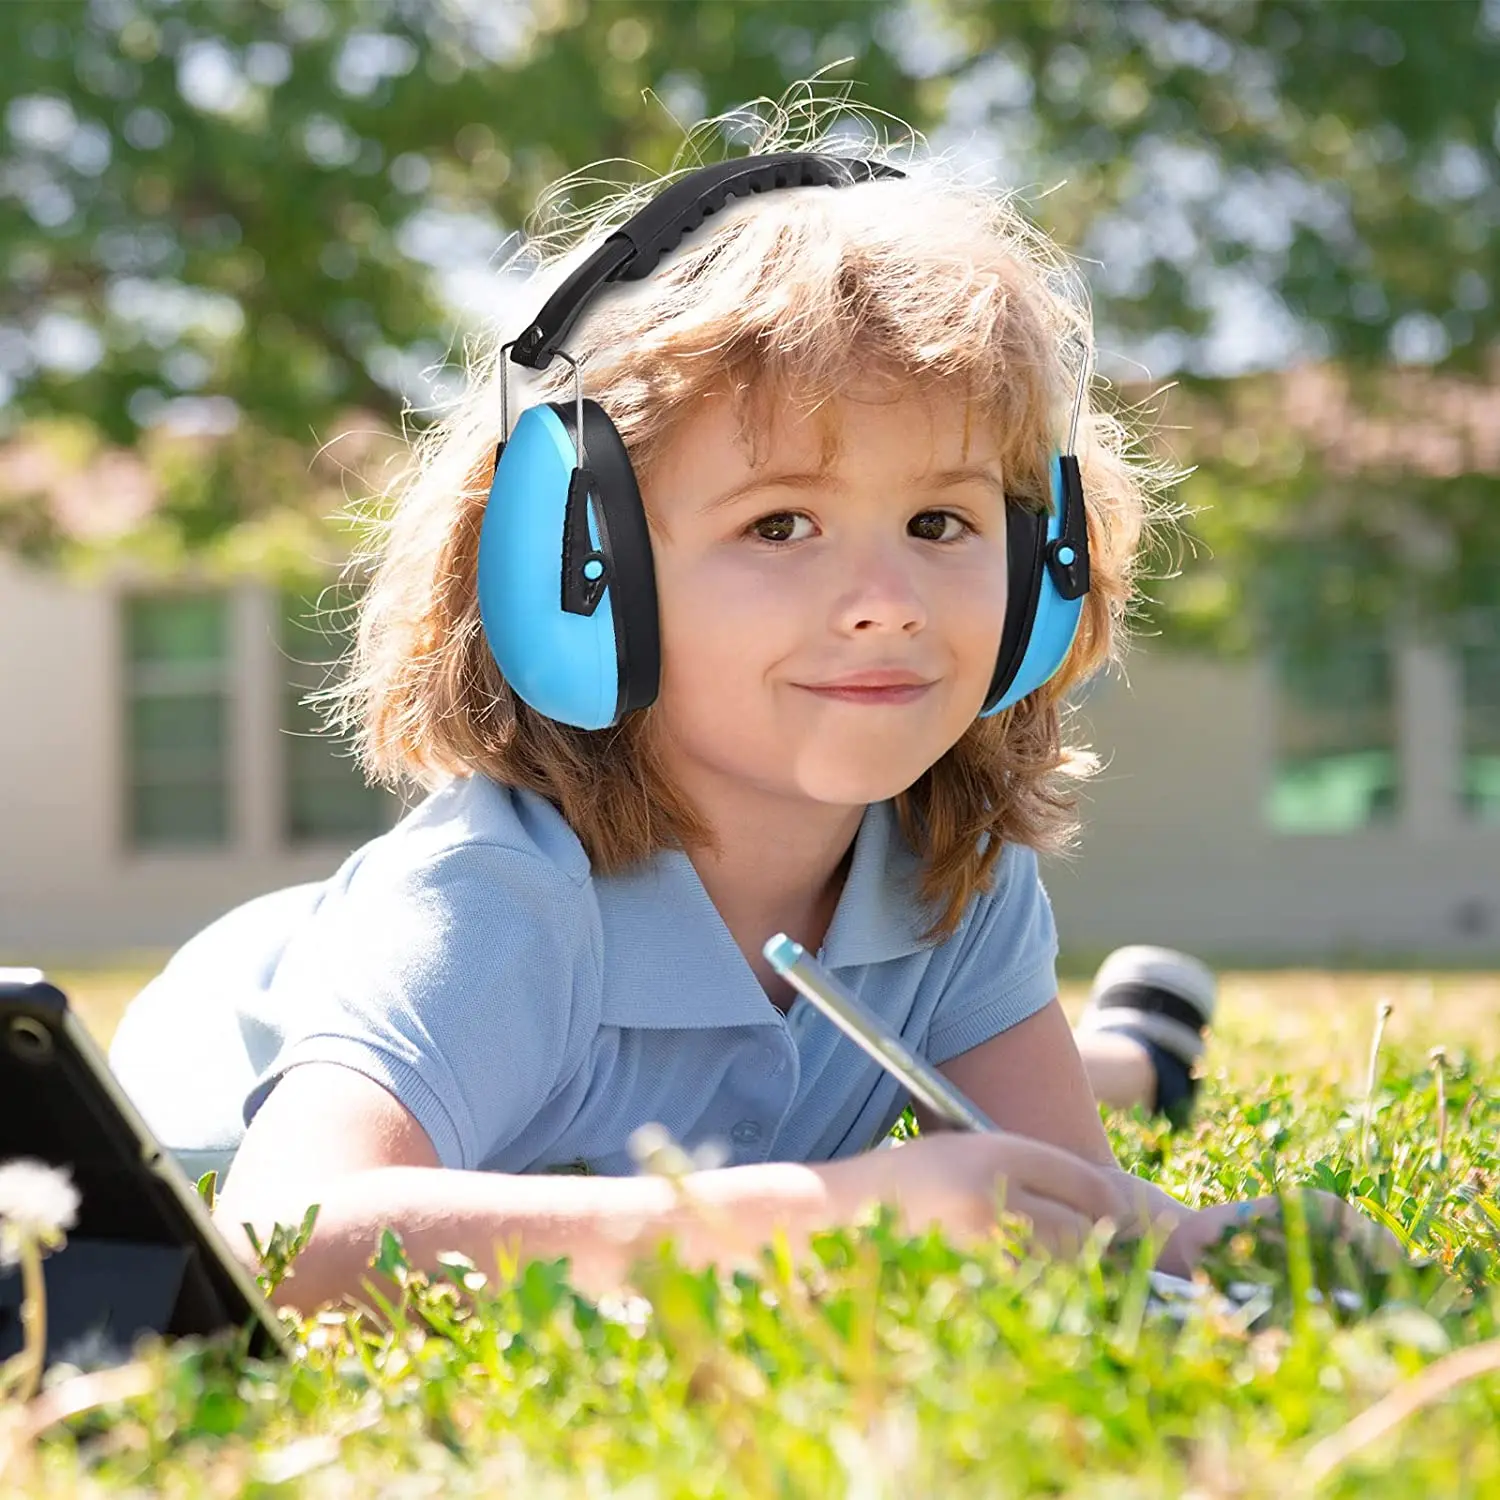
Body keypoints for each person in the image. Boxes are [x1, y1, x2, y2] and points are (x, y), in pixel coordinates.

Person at [108, 101, 1381, 1310]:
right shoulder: (492, 912)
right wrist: (823, 1216)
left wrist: (1205, 1244)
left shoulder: (955, 877)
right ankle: (1143, 1053)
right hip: (270, 993)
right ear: (578, 574)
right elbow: (280, 1243)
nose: (886, 600)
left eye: (942, 520)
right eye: (780, 524)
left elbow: (1066, 1202)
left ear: (1041, 560)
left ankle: (1135, 1057)